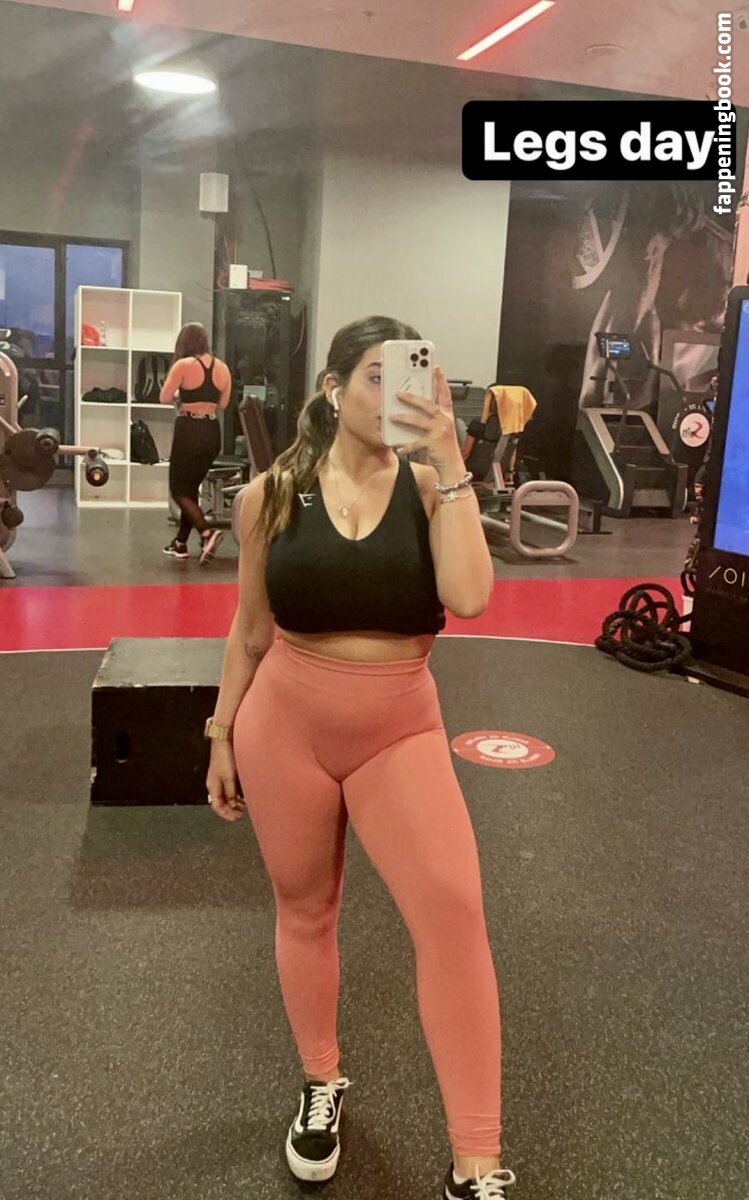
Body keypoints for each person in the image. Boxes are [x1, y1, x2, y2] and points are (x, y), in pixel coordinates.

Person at [205, 316, 516, 1200]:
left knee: (452, 911)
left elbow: (469, 597)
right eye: (375, 377)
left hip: (398, 728)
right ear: (333, 389)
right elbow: (250, 630)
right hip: (284, 726)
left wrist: (449, 457)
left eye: (411, 376)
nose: (393, 396)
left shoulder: (430, 488)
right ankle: (320, 1081)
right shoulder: (267, 496)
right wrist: (221, 733)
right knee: (306, 912)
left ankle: (476, 1160)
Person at [159, 322, 232, 562]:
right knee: (190, 490)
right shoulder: (223, 367)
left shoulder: (183, 365)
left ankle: (207, 533)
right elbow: (223, 404)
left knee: (178, 490)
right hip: (211, 431)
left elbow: (164, 397)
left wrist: (180, 395)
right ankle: (180, 544)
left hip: (189, 430)